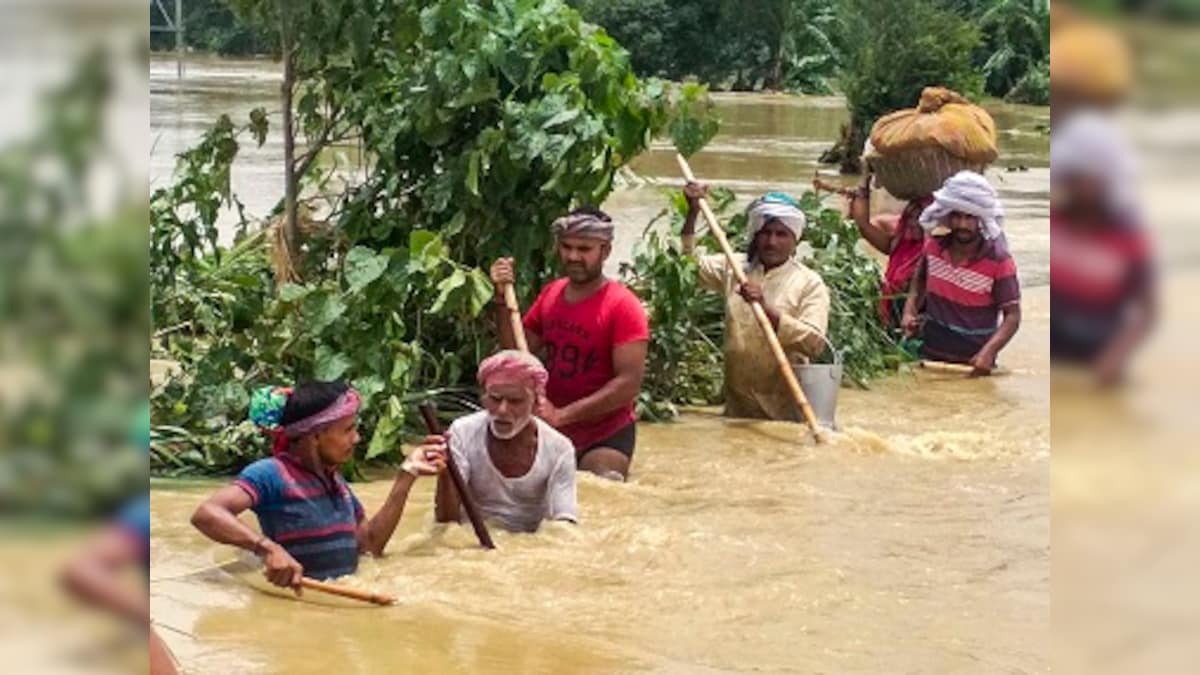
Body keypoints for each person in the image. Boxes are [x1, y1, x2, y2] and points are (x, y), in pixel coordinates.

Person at [190, 381, 446, 593]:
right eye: (347, 430)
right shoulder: (271, 474)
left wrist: (407, 475)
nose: (356, 438)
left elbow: (369, 546)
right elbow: (207, 514)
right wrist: (267, 548)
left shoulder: (335, 481)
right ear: (315, 436)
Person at [490, 207, 649, 481]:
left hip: (604, 433)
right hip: (550, 428)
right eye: (567, 247)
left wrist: (563, 415)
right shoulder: (552, 294)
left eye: (584, 249)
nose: (573, 257)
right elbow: (517, 352)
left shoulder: (623, 306)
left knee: (601, 486)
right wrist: (502, 298)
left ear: (605, 251)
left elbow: (628, 384)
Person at [681, 185, 830, 420]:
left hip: (787, 410)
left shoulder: (809, 283)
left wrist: (768, 310)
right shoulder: (736, 268)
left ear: (795, 240)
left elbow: (815, 343)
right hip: (737, 408)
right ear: (755, 235)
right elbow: (687, 267)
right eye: (766, 233)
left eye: (781, 235)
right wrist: (692, 213)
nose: (771, 242)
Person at [1050, 111, 1155, 385]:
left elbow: (1148, 310)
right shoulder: (1055, 220)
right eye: (1071, 177)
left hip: (1099, 355)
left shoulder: (1128, 235)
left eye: (1085, 178)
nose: (1077, 186)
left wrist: (1115, 357)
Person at [433, 350, 577, 532]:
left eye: (515, 401)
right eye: (495, 399)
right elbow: (445, 523)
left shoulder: (560, 449)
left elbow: (564, 524)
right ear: (484, 398)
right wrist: (446, 474)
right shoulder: (461, 432)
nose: (502, 410)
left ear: (536, 404)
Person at [902, 171, 1021, 374]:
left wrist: (989, 352)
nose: (962, 225)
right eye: (956, 216)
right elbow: (919, 279)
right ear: (948, 216)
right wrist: (909, 309)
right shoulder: (933, 248)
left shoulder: (999, 261)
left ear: (981, 220)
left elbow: (1012, 316)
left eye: (969, 218)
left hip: (974, 365)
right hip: (930, 357)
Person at [845, 167, 936, 331]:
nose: (915, 223)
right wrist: (864, 182)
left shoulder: (937, 255)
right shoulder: (898, 247)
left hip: (919, 328)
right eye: (912, 217)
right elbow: (863, 225)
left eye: (922, 218)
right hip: (892, 322)